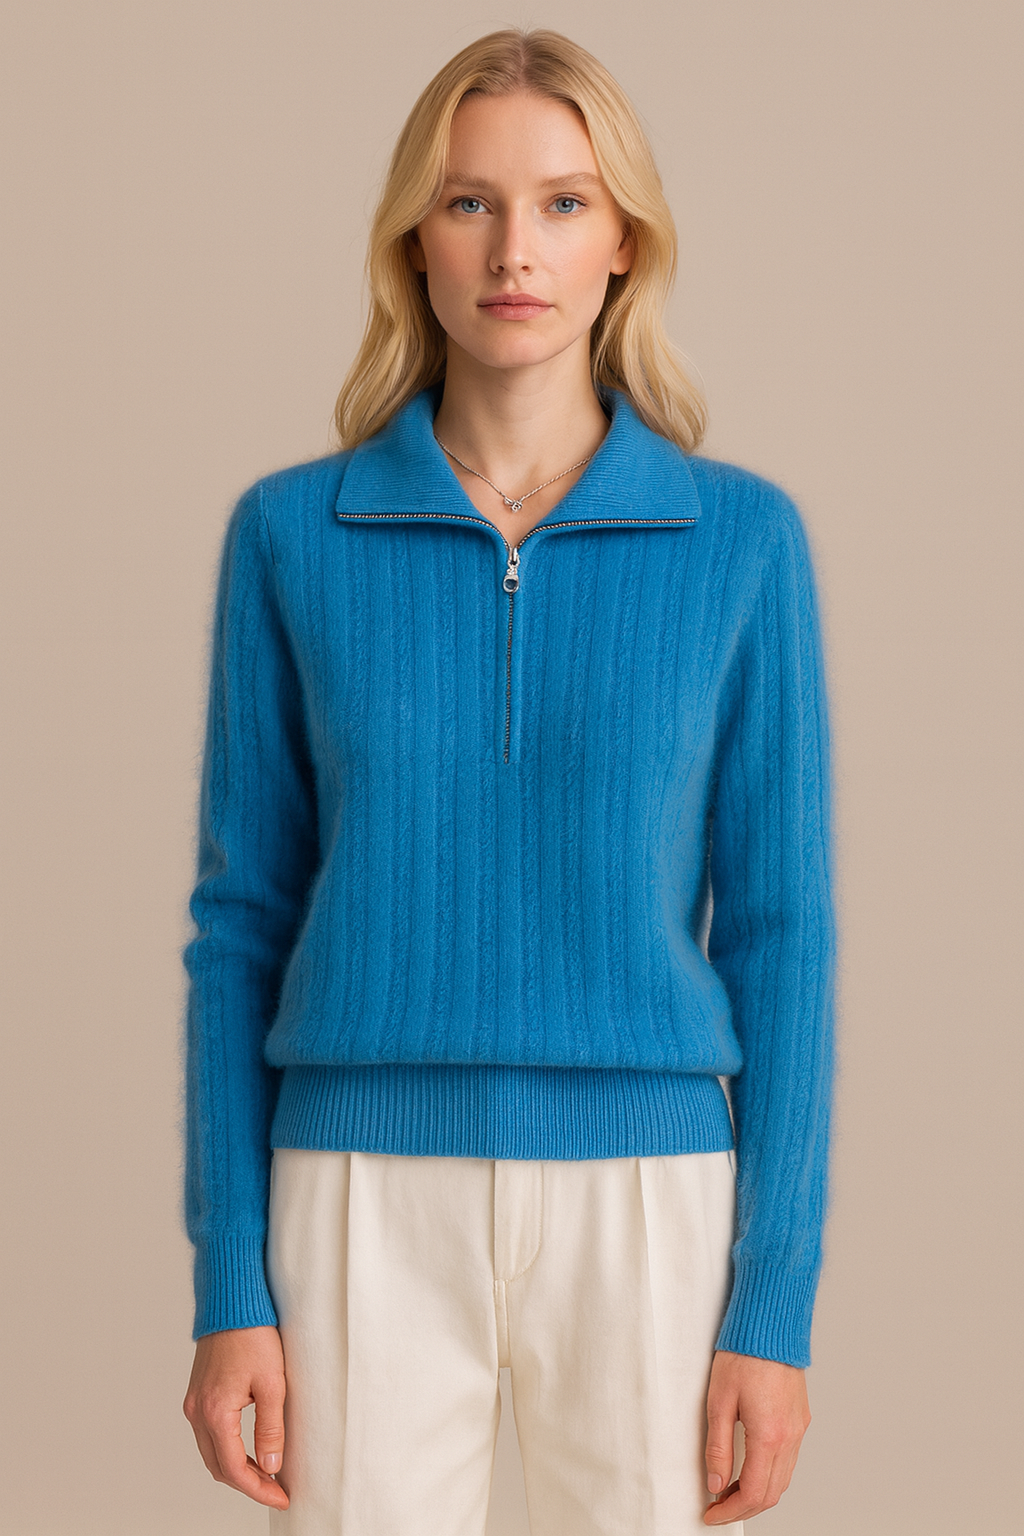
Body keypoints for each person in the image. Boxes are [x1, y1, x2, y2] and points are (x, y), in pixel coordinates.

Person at [181, 26, 835, 1536]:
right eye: (468, 201)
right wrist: (230, 1284)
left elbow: (784, 936)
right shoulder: (291, 536)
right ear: (414, 240)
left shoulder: (741, 542)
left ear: (624, 244)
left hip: (650, 1196)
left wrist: (774, 1305)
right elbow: (240, 924)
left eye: (562, 203)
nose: (513, 250)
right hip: (354, 1187)